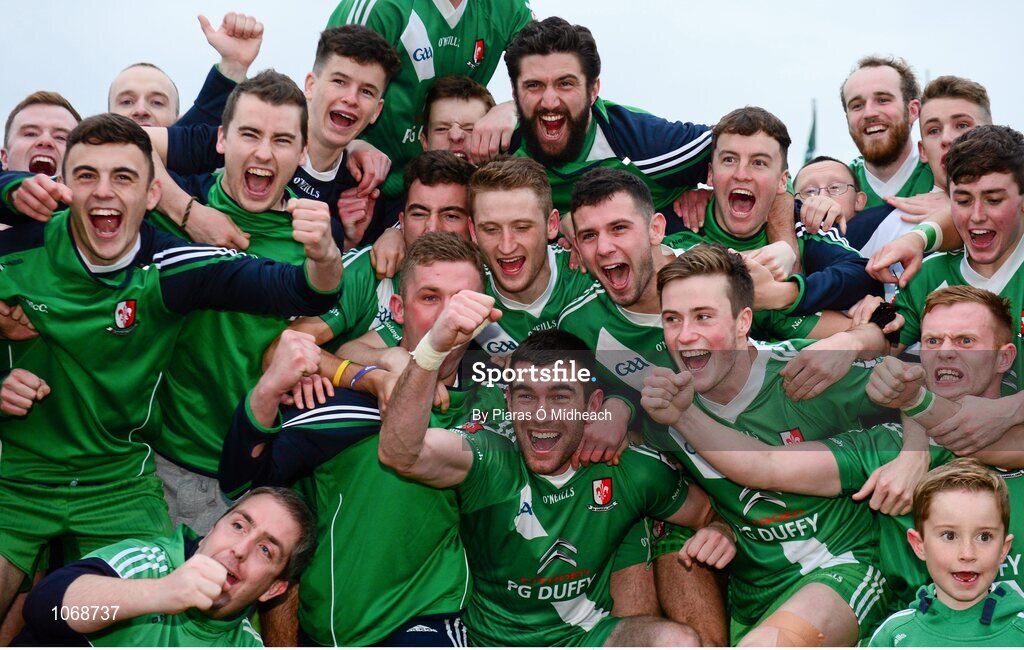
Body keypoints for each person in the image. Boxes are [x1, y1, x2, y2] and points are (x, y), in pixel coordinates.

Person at [0, 112, 341, 626]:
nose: (103, 193)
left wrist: (324, 252)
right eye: (87, 175)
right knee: (43, 625)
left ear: (153, 194)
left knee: (143, 618)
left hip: (117, 481)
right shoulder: (18, 250)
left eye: (124, 177)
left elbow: (304, 290)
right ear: (64, 187)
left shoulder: (173, 267)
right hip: (14, 479)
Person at [220, 233, 507, 646]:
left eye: (462, 301)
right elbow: (241, 482)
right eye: (430, 298)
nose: (449, 317)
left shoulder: (494, 408)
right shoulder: (346, 401)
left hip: (430, 617)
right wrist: (267, 392)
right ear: (396, 308)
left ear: (483, 316)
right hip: (332, 625)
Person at [379, 321, 736, 646]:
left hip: (584, 638)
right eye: (526, 396)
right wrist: (429, 351)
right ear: (507, 400)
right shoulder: (488, 453)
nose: (541, 414)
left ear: (592, 405)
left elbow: (707, 513)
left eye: (561, 396)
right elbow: (400, 453)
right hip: (489, 640)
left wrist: (722, 531)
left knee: (678, 642)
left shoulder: (631, 470)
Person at [639, 244, 902, 645]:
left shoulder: (806, 371)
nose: (685, 335)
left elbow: (924, 387)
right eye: (672, 319)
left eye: (703, 317)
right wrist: (720, 526)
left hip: (841, 567)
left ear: (744, 320)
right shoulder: (662, 408)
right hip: (752, 597)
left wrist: (912, 459)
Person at [148, 24, 401, 251]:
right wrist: (190, 215)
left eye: (366, 92)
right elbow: (127, 145)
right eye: (339, 81)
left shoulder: (361, 191)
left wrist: (350, 243)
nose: (351, 99)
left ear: (376, 112)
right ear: (310, 85)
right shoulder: (241, 141)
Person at [18, 487, 316, 646]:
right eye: (238, 526)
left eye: (265, 550)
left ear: (274, 589)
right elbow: (45, 609)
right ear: (209, 532)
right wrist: (159, 593)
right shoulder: (147, 564)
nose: (240, 549)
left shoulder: (244, 645)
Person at [326, 0, 532, 230]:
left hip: (450, 189)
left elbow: (554, 75)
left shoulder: (507, 7)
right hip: (367, 187)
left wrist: (516, 107)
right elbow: (325, 92)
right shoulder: (381, 7)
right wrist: (350, 144)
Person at [886, 125, 1024, 452]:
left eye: (993, 200)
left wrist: (1009, 409)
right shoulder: (928, 271)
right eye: (962, 200)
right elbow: (887, 322)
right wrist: (866, 321)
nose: (977, 216)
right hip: (950, 459)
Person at [671, 106, 883, 315]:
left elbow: (862, 277)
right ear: (710, 174)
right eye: (729, 160)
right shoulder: (677, 220)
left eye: (759, 162)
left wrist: (784, 294)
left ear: (783, 182)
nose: (742, 174)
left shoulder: (803, 223)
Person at [868, 460, 1024, 646]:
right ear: (919, 545)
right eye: (949, 535)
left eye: (984, 537)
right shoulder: (894, 635)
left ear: (1003, 549)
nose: (967, 553)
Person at [108, 12, 264, 129]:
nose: (141, 111)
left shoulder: (206, 172)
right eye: (126, 102)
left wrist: (234, 65)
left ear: (178, 120)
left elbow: (204, 116)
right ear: (106, 118)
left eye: (157, 102)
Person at [841, 56, 934, 208]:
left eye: (883, 100)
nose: (869, 113)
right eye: (857, 105)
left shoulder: (947, 178)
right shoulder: (837, 188)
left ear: (912, 110)